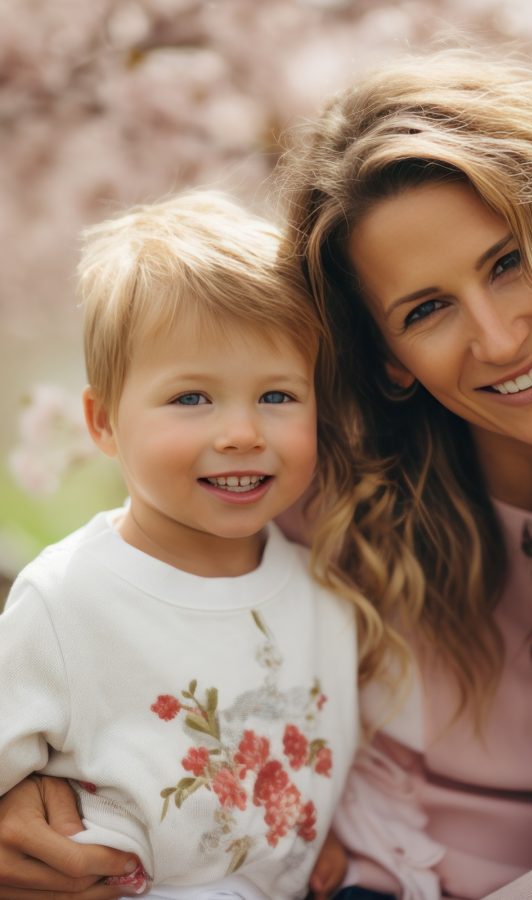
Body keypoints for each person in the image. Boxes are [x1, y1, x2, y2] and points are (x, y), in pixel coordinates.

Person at [3, 44, 532, 900]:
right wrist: (29, 795)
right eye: (428, 309)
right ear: (391, 357)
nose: (499, 338)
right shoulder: (322, 499)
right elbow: (119, 606)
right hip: (376, 886)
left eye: (509, 260)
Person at [0, 190, 372, 899]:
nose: (241, 433)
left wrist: (313, 843)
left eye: (277, 396)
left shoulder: (325, 595)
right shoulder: (69, 598)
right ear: (104, 423)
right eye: (192, 398)